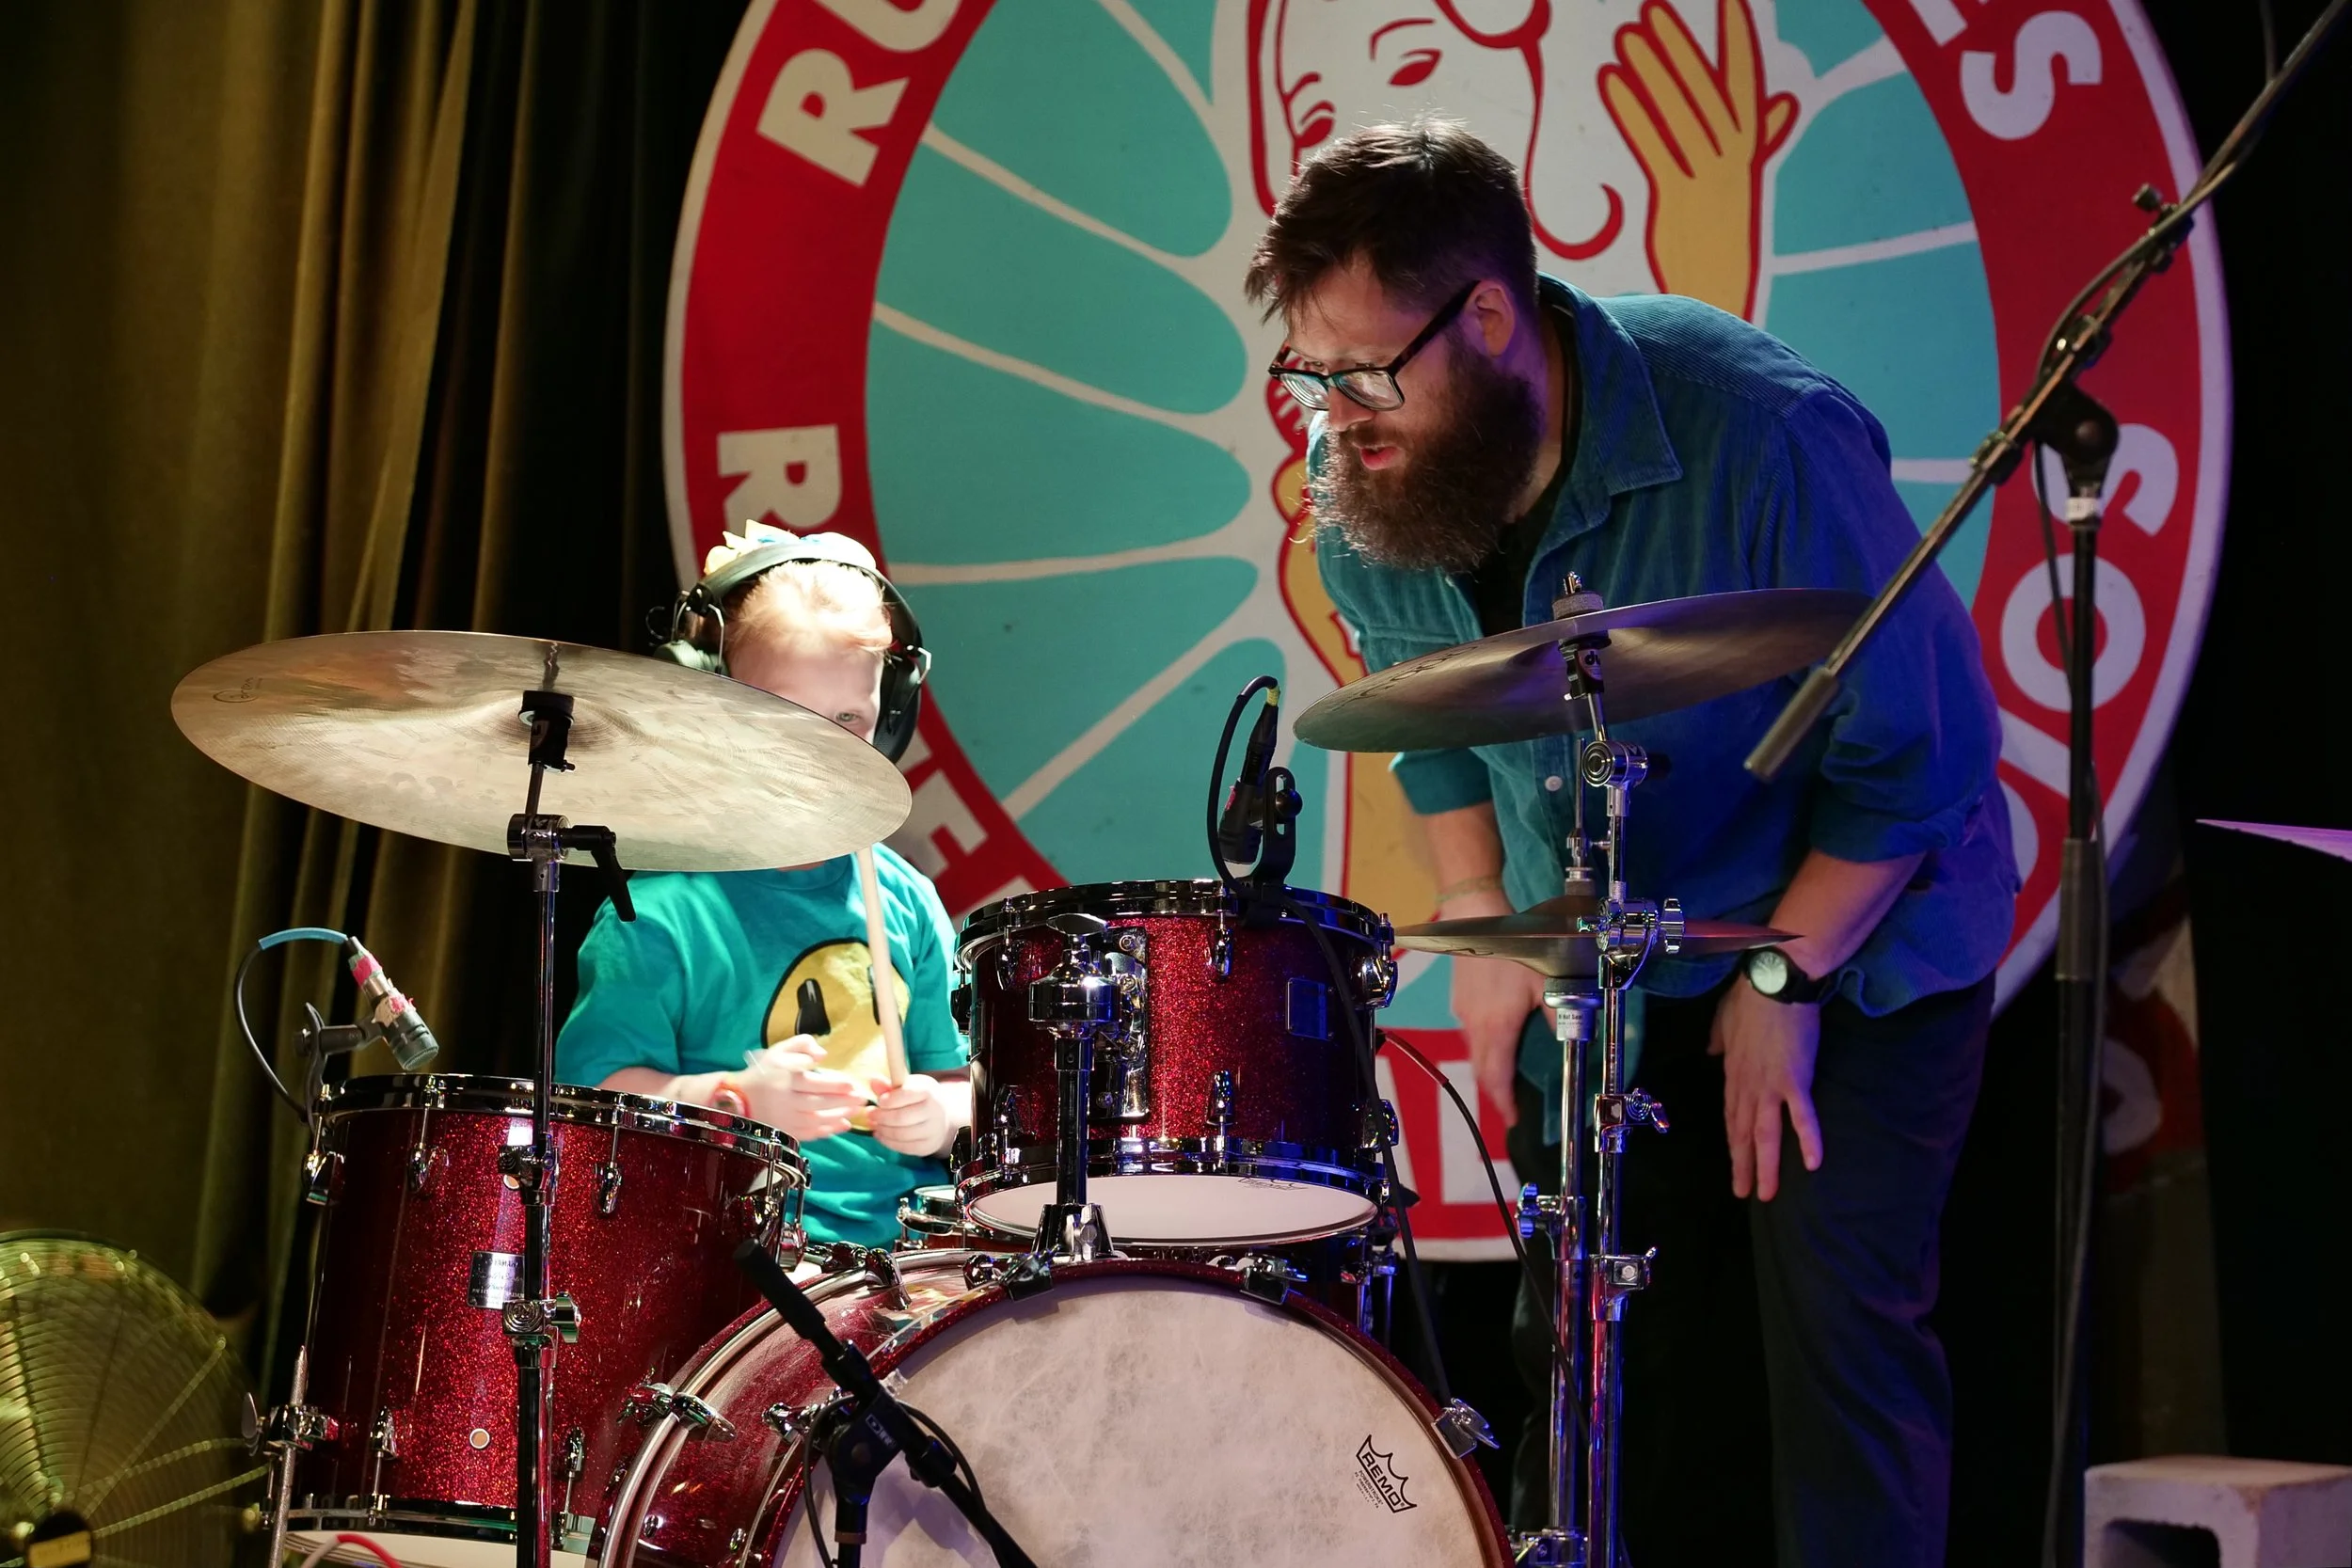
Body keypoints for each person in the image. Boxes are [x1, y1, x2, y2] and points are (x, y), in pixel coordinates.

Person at [1246, 119, 2016, 1567]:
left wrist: (1785, 984)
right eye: (1308, 370)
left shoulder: (1764, 435)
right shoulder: (1368, 477)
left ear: (1487, 316)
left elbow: (1923, 756)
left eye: (1360, 372)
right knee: (1588, 1352)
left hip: (1863, 923)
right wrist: (1481, 912)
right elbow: (1429, 712)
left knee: (1833, 1341)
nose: (1333, 412)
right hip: (1619, 936)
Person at [556, 526, 970, 1250]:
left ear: (890, 719)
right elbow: (597, 1102)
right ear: (718, 714)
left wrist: (944, 1111)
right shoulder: (653, 914)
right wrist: (734, 1100)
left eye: (851, 719)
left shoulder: (905, 901)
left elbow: (962, 1079)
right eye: (788, 715)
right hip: (728, 1261)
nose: (825, 746)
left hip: (901, 1261)